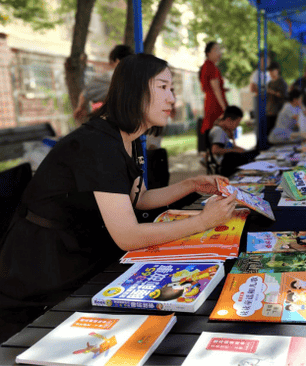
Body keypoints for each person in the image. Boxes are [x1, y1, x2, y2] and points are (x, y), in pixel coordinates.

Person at [0, 54, 237, 341]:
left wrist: (190, 184)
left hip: (81, 252)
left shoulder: (128, 136)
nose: (173, 99)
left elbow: (139, 199)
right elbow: (127, 235)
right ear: (135, 89)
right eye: (163, 87)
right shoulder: (98, 143)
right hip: (43, 270)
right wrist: (202, 221)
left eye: (172, 89)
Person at [73, 45, 134, 122]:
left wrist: (80, 107)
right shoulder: (139, 80)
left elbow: (85, 94)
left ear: (117, 61)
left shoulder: (110, 77)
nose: (110, 66)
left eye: (111, 63)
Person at [208, 106, 259, 177]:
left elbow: (231, 146)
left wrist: (239, 147)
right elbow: (215, 150)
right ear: (229, 120)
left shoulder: (222, 130)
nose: (237, 126)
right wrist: (234, 150)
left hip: (229, 161)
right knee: (253, 154)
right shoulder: (218, 131)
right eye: (237, 123)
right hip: (225, 164)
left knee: (252, 153)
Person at [199, 41, 227, 148]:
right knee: (217, 132)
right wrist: (225, 108)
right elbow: (215, 89)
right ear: (208, 52)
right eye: (216, 50)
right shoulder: (210, 67)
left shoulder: (206, 66)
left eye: (219, 49)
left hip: (211, 101)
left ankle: (209, 156)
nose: (219, 52)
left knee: (213, 131)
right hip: (215, 104)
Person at [266, 61, 288, 137]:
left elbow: (283, 96)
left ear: (277, 70)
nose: (270, 73)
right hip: (269, 111)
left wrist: (272, 92)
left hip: (278, 112)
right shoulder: (269, 83)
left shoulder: (282, 83)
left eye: (272, 71)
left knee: (277, 134)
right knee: (269, 133)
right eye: (269, 71)